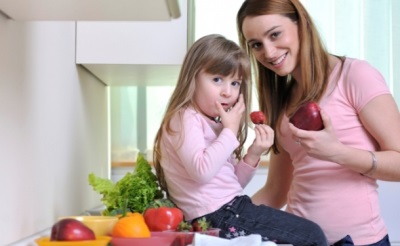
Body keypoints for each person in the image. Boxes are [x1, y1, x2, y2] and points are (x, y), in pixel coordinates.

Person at [236, 0, 400, 245]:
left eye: (275, 34)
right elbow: (275, 191)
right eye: (257, 45)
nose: (268, 52)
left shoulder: (354, 75)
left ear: (301, 24)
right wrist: (226, 219)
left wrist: (338, 153)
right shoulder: (281, 102)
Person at [153, 34, 328, 245]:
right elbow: (201, 172)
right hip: (220, 215)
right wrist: (229, 130)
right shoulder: (184, 117)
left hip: (227, 211)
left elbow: (231, 184)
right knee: (312, 235)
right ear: (192, 78)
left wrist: (254, 153)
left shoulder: (213, 124)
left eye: (235, 83)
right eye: (217, 80)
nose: (228, 92)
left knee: (307, 234)